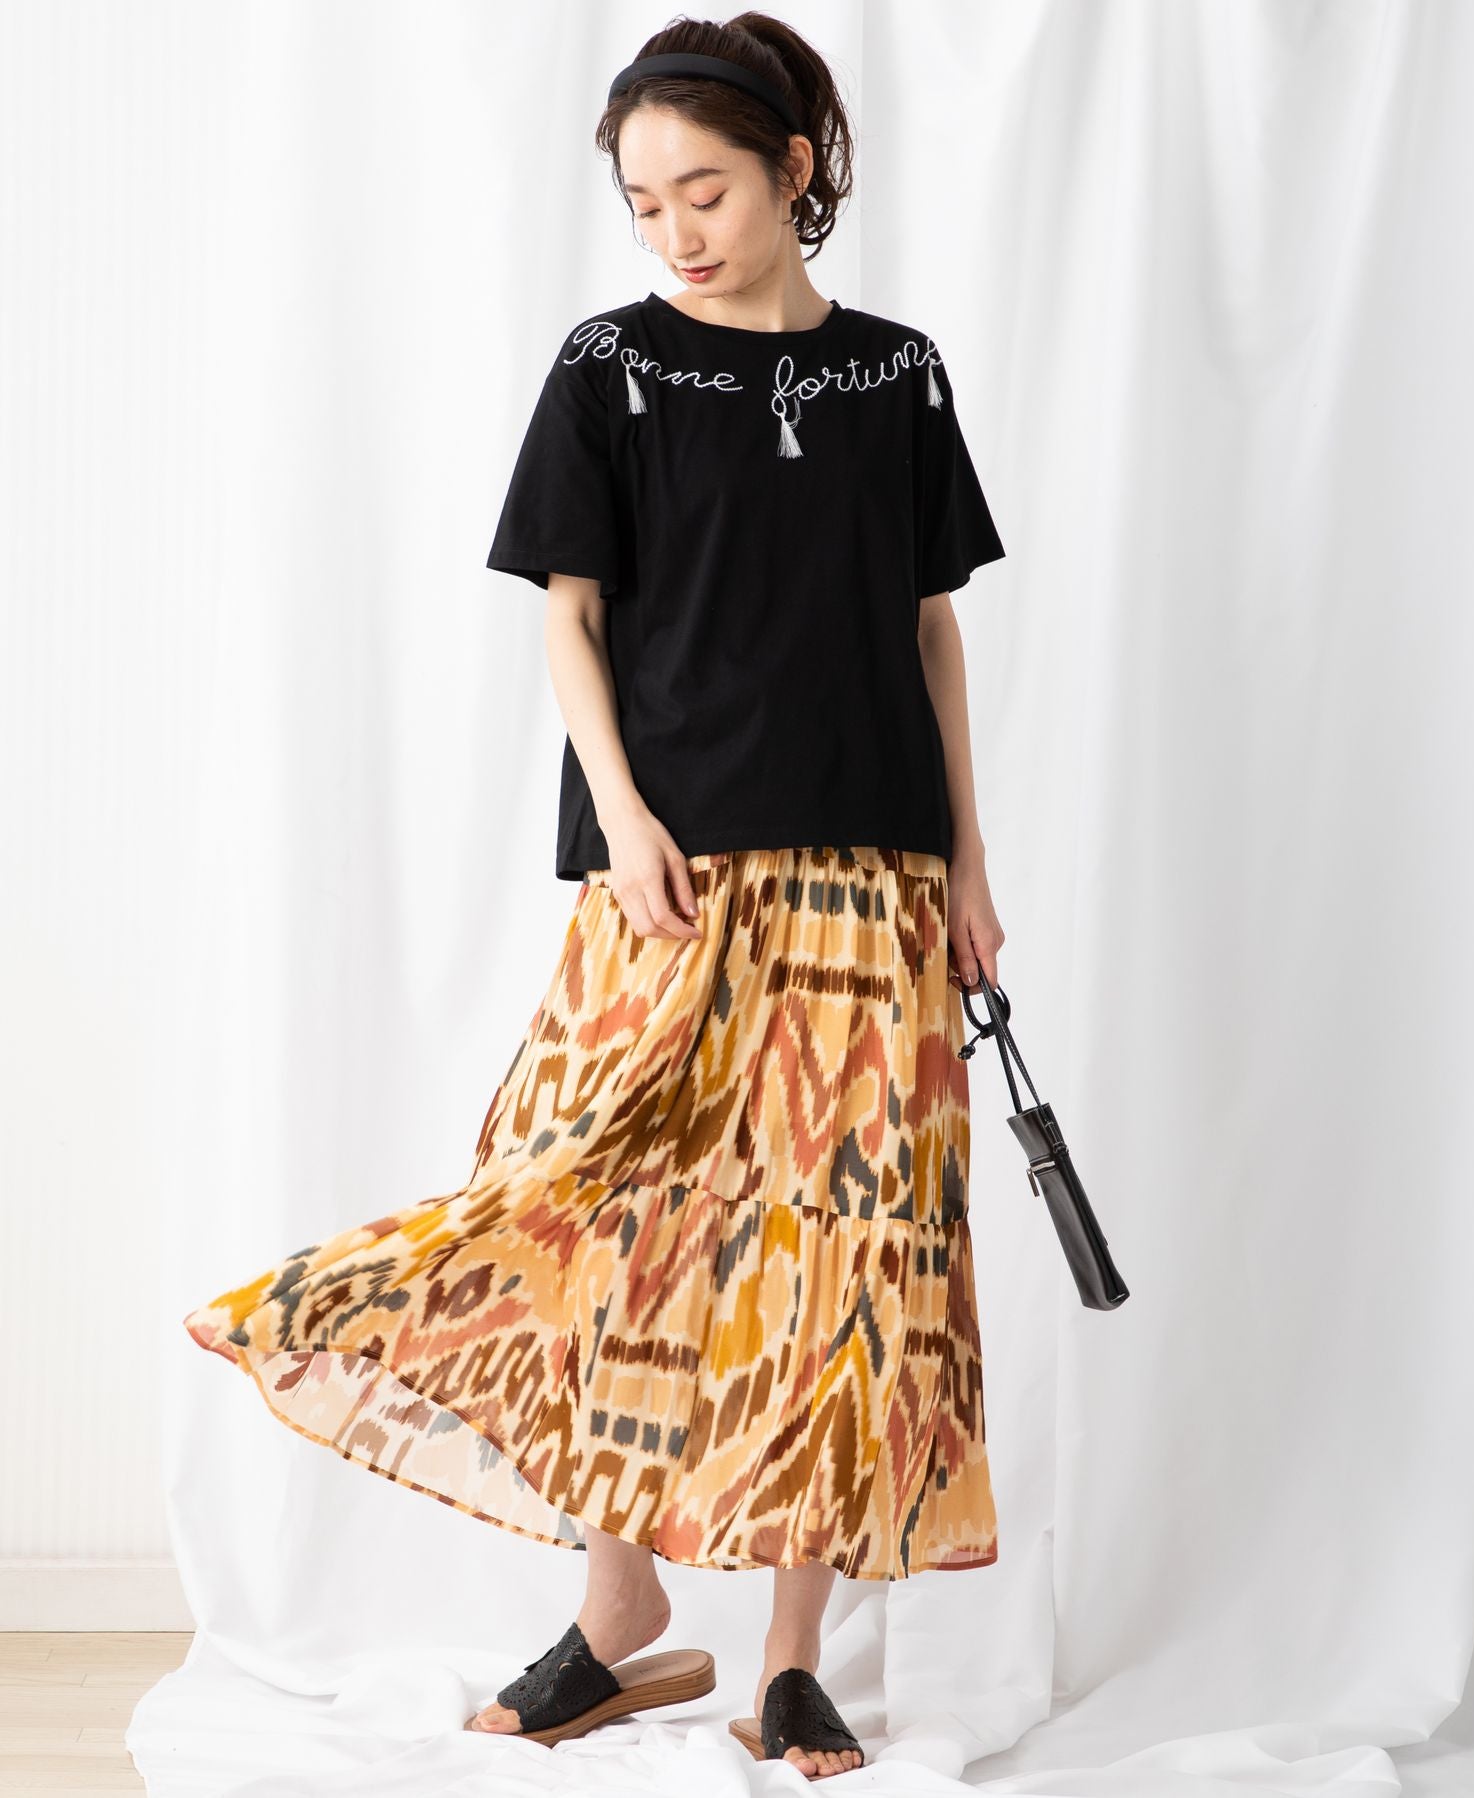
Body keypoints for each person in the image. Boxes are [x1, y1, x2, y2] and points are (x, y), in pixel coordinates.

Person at [183, 12, 1007, 1782]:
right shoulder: (611, 366)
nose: (674, 231)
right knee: (605, 1211)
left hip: (870, 884)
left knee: (838, 1257)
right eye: (643, 204)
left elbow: (931, 628)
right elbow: (566, 612)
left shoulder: (898, 376)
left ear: (796, 168)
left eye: (704, 189)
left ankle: (792, 1660)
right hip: (670, 878)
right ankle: (619, 1599)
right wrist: (623, 817)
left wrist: (969, 862)